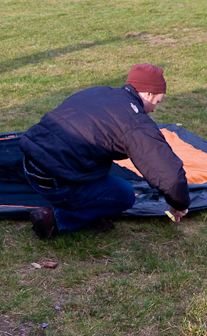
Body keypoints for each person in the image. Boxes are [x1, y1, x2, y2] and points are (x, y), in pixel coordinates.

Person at [20, 63, 192, 239]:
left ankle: (85, 208)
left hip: (29, 164)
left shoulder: (98, 91)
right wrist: (179, 204)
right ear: (148, 94)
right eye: (157, 102)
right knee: (124, 194)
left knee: (102, 170)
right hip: (56, 182)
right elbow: (168, 174)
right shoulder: (135, 122)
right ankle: (54, 218)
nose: (154, 108)